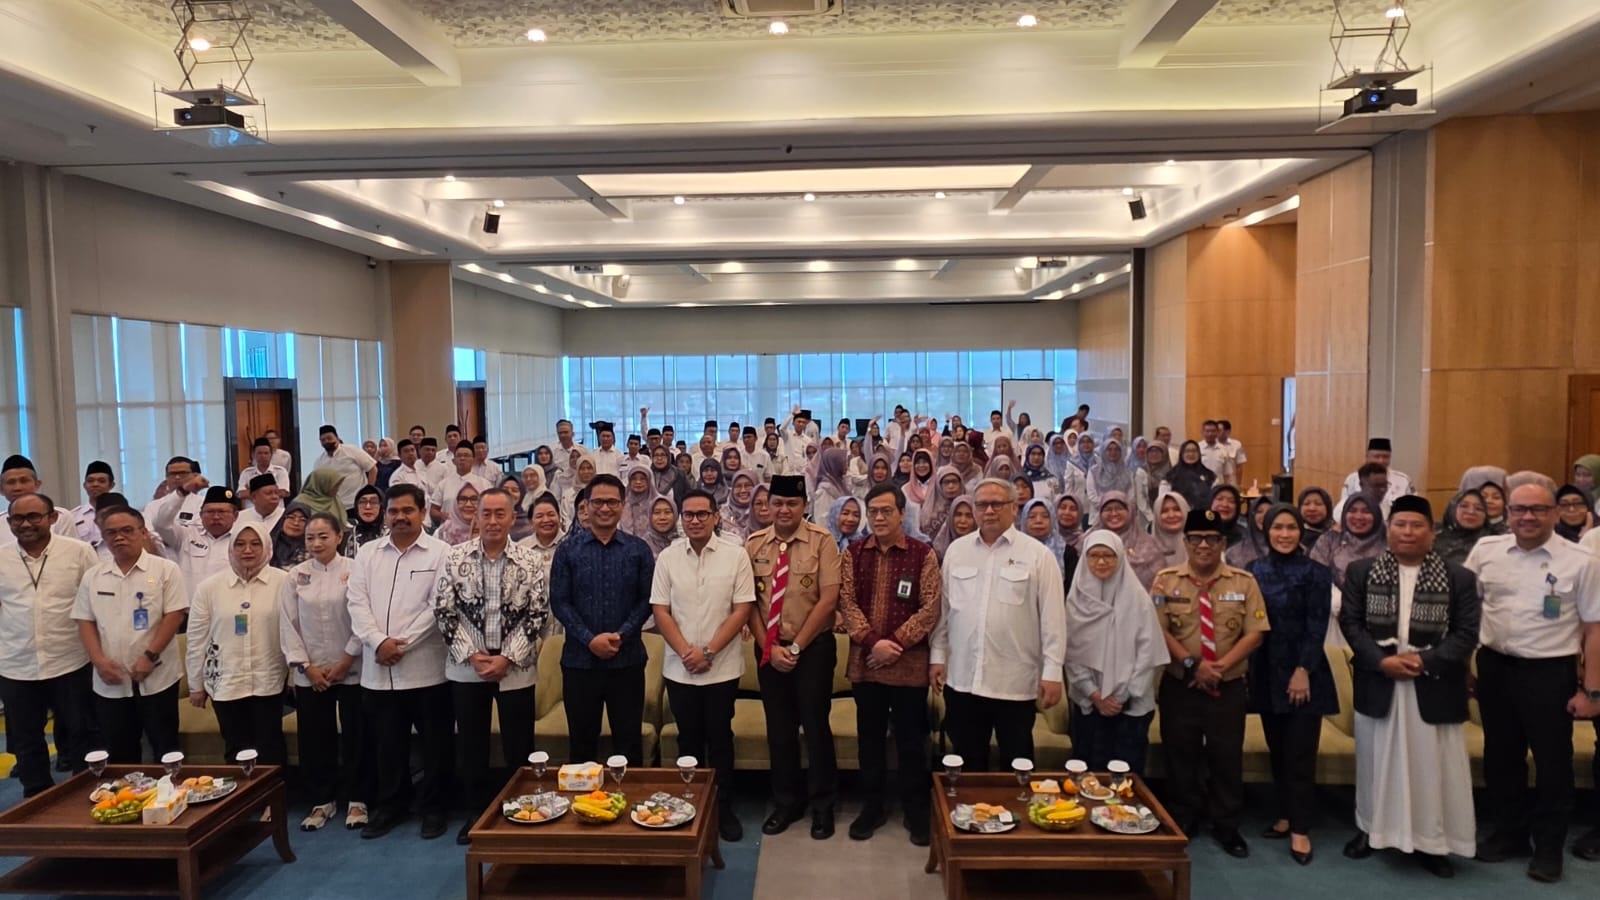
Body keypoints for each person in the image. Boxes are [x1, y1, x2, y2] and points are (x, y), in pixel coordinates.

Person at [1339, 496, 1480, 879]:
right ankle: (1371, 829)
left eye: (1417, 525)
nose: (1408, 532)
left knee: (1432, 767)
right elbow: (1351, 625)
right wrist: (1382, 661)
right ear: (1389, 529)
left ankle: (1432, 842)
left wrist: (1424, 660)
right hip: (1380, 682)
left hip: (1432, 685)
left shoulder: (1459, 577)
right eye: (1400, 524)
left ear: (1431, 531)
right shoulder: (1361, 571)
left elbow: (1466, 634)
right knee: (1375, 762)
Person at [1467, 482, 1600, 883]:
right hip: (1494, 666)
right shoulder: (1486, 551)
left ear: (1555, 513)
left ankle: (1548, 848)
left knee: (1552, 764)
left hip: (1550, 672)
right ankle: (1509, 833)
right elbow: (1467, 611)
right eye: (1519, 509)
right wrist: (1465, 667)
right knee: (1501, 757)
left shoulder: (1582, 560)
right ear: (1507, 513)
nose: (1527, 517)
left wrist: (1592, 691)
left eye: (1538, 510)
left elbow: (1595, 628)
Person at [1151, 508, 1269, 857]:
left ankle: (1226, 825)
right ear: (1185, 542)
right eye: (1196, 538)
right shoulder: (1165, 580)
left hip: (1228, 685)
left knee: (1226, 757)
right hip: (1180, 685)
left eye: (1212, 538)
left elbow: (1256, 633)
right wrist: (1193, 666)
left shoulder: (1243, 582)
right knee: (1180, 753)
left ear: (1222, 543)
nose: (1204, 545)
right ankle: (1184, 817)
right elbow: (1158, 630)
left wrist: (1217, 667)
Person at [434, 488, 548, 845]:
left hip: (516, 668)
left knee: (519, 745)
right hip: (467, 668)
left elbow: (538, 613)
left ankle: (521, 809)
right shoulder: (454, 558)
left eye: (502, 514)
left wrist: (507, 657)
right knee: (471, 745)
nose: (494, 521)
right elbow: (442, 609)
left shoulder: (531, 561)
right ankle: (476, 812)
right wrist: (472, 655)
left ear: (514, 518)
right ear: (476, 517)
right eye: (487, 514)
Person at [931, 478, 1066, 771]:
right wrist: (937, 657)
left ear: (1013, 508)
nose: (988, 511)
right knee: (967, 764)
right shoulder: (957, 551)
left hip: (1014, 684)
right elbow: (944, 611)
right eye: (981, 504)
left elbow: (1053, 620)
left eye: (997, 504)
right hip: (964, 680)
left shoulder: (1038, 556)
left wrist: (1053, 672)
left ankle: (1015, 816)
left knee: (1016, 765)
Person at [836, 483, 942, 846]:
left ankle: (916, 810)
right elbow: (846, 603)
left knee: (912, 742)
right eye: (873, 511)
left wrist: (894, 643)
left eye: (886, 511)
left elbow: (931, 608)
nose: (878, 518)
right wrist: (872, 642)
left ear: (901, 513)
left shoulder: (922, 553)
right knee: (870, 741)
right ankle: (873, 807)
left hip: (908, 665)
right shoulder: (853, 553)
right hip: (866, 663)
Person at [347, 483, 454, 841]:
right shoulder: (367, 554)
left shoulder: (440, 553)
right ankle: (391, 805)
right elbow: (356, 604)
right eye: (393, 511)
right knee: (387, 744)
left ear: (423, 513)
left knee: (435, 744)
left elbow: (437, 608)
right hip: (377, 670)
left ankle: (434, 807)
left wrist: (400, 645)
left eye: (407, 510)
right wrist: (379, 642)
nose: (399, 517)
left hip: (425, 668)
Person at [651, 489, 755, 844]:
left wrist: (708, 652)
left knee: (720, 739)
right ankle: (690, 805)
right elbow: (660, 610)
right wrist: (685, 652)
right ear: (681, 519)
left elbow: (742, 608)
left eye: (701, 514)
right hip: (679, 669)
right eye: (688, 514)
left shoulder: (735, 555)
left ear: (715, 517)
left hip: (721, 668)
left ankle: (724, 808)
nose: (694, 520)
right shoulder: (667, 558)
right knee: (688, 740)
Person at [746, 474, 843, 839]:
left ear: (804, 506)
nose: (784, 510)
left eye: (792, 504)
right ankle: (787, 802)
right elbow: (749, 603)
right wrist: (769, 648)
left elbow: (828, 599)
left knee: (816, 728)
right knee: (780, 730)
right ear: (768, 505)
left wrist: (797, 647)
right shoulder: (754, 544)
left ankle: (823, 805)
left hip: (813, 650)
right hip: (770, 650)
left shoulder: (822, 541)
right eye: (778, 503)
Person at [1246, 505, 1337, 865]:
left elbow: (1317, 627)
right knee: (1278, 748)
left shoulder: (1317, 572)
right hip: (1266, 669)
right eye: (1277, 528)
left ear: (1302, 532)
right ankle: (1285, 814)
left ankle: (1301, 829)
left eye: (1291, 528)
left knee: (1300, 753)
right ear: (1266, 532)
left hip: (1304, 672)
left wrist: (1302, 669)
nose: (1284, 534)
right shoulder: (1254, 570)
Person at [550, 474, 655, 766]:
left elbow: (646, 600)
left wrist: (621, 635)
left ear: (622, 505)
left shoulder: (638, 550)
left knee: (629, 743)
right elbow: (559, 601)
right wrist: (589, 639)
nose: (605, 508)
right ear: (586, 506)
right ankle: (583, 808)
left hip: (627, 661)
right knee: (582, 745)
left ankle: (630, 806)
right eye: (598, 502)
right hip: (579, 663)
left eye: (611, 502)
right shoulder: (568, 549)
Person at [0, 494, 101, 796]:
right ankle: (37, 800)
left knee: (82, 733)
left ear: (53, 518)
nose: (26, 524)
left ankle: (88, 795)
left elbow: (95, 605)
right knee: (27, 740)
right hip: (16, 664)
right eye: (18, 519)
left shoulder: (79, 553)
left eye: (34, 516)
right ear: (9, 523)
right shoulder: (1, 557)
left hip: (70, 659)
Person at [279, 512, 372, 832]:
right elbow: (287, 624)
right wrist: (306, 666)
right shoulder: (296, 576)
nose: (316, 543)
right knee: (315, 739)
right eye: (310, 537)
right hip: (312, 672)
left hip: (352, 667)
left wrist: (347, 659)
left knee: (356, 736)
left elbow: (363, 618)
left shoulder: (355, 570)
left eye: (323, 536)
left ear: (339, 538)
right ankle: (322, 801)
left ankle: (359, 799)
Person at [73, 507, 187, 763]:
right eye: (111, 533)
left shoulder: (165, 569)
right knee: (120, 752)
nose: (119, 537)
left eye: (127, 530)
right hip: (110, 680)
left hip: (157, 676)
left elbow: (174, 615)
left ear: (143, 532)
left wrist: (150, 656)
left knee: (165, 749)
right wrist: (99, 662)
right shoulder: (94, 576)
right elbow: (85, 620)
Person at [186, 522, 289, 770]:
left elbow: (294, 632)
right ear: (231, 549)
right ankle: (240, 803)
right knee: (235, 746)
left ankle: (270, 804)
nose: (248, 550)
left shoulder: (284, 582)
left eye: (255, 544)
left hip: (269, 680)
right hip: (225, 680)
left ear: (267, 547)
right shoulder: (209, 588)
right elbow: (196, 639)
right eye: (240, 544)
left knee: (270, 745)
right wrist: (195, 685)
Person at [1063, 531, 1168, 775]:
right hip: (1089, 702)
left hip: (1131, 705)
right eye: (1095, 556)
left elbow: (1148, 652)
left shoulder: (1138, 599)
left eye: (1108, 555)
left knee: (1126, 776)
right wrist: (1095, 695)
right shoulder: (1076, 600)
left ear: (1120, 557)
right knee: (1088, 772)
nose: (1101, 562)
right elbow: (1071, 653)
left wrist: (1121, 696)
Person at [152, 484, 241, 600]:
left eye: (222, 512)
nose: (216, 517)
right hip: (190, 611)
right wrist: (182, 492)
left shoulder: (242, 540)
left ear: (235, 515)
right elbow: (161, 523)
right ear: (200, 515)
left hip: (227, 610)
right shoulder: (187, 535)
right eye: (210, 512)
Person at [1309, 492, 1386, 590]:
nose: (1358, 517)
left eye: (1366, 511)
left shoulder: (1389, 544)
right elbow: (1316, 580)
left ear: (1376, 515)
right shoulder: (1329, 541)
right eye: (1352, 510)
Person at [1092, 492, 1164, 589]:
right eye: (1108, 509)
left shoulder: (1149, 545)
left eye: (1119, 508)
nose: (1113, 513)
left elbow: (1160, 584)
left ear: (1130, 511)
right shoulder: (1091, 543)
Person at [1339, 439, 1414, 513]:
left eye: (1385, 457)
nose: (1381, 461)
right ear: (1367, 457)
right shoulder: (1353, 478)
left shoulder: (1403, 480)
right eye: (1376, 456)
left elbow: (1412, 508)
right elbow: (1344, 505)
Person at [313, 425, 378, 508]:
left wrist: (369, 491)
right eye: (323, 440)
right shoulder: (319, 462)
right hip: (334, 506)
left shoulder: (352, 450)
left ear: (337, 438)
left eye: (329, 438)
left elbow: (373, 469)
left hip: (357, 503)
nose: (326, 442)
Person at [430, 443, 492, 528]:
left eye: (466, 455)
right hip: (449, 531)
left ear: (473, 460)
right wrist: (442, 515)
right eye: (459, 456)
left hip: (476, 530)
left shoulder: (485, 484)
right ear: (453, 461)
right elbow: (433, 510)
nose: (462, 458)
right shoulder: (443, 484)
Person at [70, 460, 117, 549]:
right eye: (90, 481)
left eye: (101, 481)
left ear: (111, 485)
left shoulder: (123, 513)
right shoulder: (74, 516)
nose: (95, 484)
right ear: (84, 485)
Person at [1167, 441, 1217, 513]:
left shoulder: (1210, 476)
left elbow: (1215, 500)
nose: (1191, 454)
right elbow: (1164, 500)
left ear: (1199, 454)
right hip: (1178, 517)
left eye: (1194, 451)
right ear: (1181, 454)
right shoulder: (1171, 476)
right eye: (1187, 451)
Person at [1151, 490, 1191, 570]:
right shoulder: (1146, 549)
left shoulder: (1202, 543)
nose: (1171, 515)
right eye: (1164, 511)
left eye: (1177, 509)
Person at [1198, 421, 1235, 486]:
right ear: (1202, 432)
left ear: (1217, 432)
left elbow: (1227, 474)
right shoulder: (1197, 448)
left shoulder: (1223, 449)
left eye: (1213, 431)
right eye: (1207, 431)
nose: (1210, 434)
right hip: (1201, 488)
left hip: (1218, 489)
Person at [1297, 487, 1334, 552]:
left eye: (1318, 503)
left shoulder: (1337, 535)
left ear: (1328, 508)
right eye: (1306, 504)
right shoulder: (1295, 535)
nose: (1312, 508)